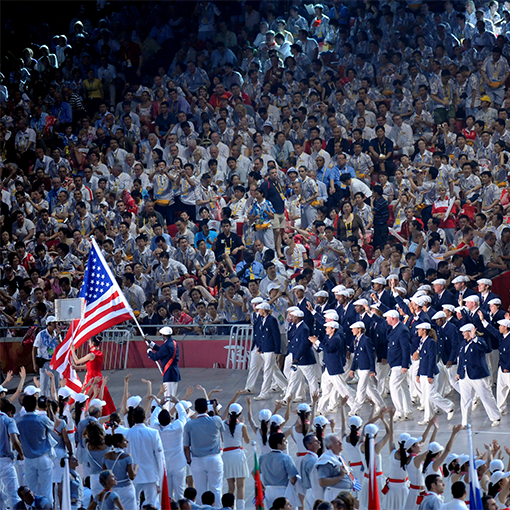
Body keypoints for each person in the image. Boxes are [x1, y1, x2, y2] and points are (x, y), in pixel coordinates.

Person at [456, 323, 501, 427]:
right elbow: (461, 359)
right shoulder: (463, 343)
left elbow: (484, 348)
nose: (462, 334)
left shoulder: (479, 341)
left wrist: (474, 338)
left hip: (477, 374)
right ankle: (465, 421)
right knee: (465, 399)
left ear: (469, 332)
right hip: (465, 375)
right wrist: (458, 373)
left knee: (485, 396)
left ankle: (495, 417)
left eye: (464, 332)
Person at [243, 301, 287, 400]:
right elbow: (260, 335)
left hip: (270, 349)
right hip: (264, 348)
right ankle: (287, 387)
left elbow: (276, 335)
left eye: (260, 309)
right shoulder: (262, 319)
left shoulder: (271, 320)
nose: (258, 311)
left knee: (267, 371)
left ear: (264, 310)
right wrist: (259, 347)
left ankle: (264, 393)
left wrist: (277, 349)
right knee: (272, 369)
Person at [184, 398, 224, 506]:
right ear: (207, 408)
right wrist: (215, 408)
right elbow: (222, 428)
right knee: (216, 490)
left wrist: (189, 461)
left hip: (197, 460)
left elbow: (186, 446)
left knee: (200, 491)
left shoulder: (189, 425)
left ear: (195, 409)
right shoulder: (216, 420)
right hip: (214, 458)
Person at [16, 395, 54, 505]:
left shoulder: (18, 421)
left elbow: (16, 438)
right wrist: (49, 408)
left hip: (28, 459)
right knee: (47, 490)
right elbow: (53, 425)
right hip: (43, 458)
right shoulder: (42, 419)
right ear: (35, 405)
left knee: (30, 491)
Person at [126, 406, 165, 508]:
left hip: (133, 474)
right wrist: (161, 475)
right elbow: (159, 455)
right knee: (152, 502)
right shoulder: (153, 433)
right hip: (150, 473)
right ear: (144, 418)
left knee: (134, 503)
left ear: (133, 418)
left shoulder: (127, 433)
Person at [151, 398, 188, 501]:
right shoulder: (177, 428)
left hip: (164, 466)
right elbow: (183, 415)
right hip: (178, 465)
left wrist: (159, 406)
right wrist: (177, 403)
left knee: (167, 496)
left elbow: (153, 418)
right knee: (180, 494)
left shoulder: (156, 429)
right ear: (171, 419)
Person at [71, 336, 116, 415]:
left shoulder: (91, 355)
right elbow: (90, 366)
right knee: (100, 397)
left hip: (91, 378)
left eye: (89, 342)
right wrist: (76, 367)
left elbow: (77, 361)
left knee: (89, 396)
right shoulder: (99, 353)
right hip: (98, 376)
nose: (88, 344)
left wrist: (72, 351)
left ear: (92, 343)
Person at [222, 403, 250, 510]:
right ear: (240, 413)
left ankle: (230, 507)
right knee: (240, 485)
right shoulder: (242, 426)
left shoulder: (223, 425)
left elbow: (223, 439)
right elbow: (247, 441)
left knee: (230, 486)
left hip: (227, 455)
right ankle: (240, 508)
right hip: (238, 455)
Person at [259, 433, 298, 508]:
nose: (286, 442)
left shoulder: (263, 457)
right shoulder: (286, 458)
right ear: (279, 445)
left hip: (268, 491)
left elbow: (254, 473)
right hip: (282, 490)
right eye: (284, 441)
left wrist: (262, 486)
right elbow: (293, 478)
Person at [146, 326, 181, 404]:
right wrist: (150, 343)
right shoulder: (173, 342)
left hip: (169, 374)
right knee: (173, 397)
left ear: (164, 336)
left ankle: (169, 414)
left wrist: (149, 351)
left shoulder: (166, 346)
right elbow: (162, 349)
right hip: (174, 372)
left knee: (168, 398)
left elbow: (155, 357)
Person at [31, 315, 61, 397]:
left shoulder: (56, 334)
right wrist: (34, 364)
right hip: (45, 362)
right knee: (44, 384)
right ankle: (43, 401)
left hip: (54, 362)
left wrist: (58, 337)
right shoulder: (41, 335)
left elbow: (61, 347)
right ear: (49, 323)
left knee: (56, 383)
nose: (56, 324)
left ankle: (55, 400)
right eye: (54, 322)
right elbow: (34, 349)